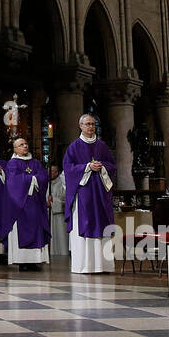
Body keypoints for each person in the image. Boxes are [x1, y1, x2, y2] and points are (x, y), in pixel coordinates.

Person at [62, 113, 117, 274]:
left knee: (102, 223)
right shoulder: (74, 146)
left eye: (93, 124)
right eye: (87, 124)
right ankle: (84, 265)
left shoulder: (102, 146)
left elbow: (113, 165)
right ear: (80, 126)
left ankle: (104, 265)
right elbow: (68, 168)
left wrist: (102, 166)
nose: (91, 127)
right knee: (85, 223)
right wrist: (86, 167)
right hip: (84, 193)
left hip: (100, 194)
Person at [4, 138, 50, 271]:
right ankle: (22, 261)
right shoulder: (12, 163)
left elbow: (44, 177)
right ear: (15, 149)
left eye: (26, 144)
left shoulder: (35, 162)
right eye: (21, 145)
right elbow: (13, 182)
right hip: (20, 205)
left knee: (37, 230)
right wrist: (33, 178)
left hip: (35, 203)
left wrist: (35, 178)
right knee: (21, 231)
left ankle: (35, 261)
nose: (25, 146)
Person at [47, 163, 69, 258]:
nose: (50, 173)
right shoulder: (46, 183)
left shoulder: (63, 183)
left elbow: (66, 200)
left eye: (52, 171)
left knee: (61, 237)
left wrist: (53, 201)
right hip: (48, 214)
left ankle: (63, 253)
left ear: (57, 172)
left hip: (59, 216)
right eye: (49, 171)